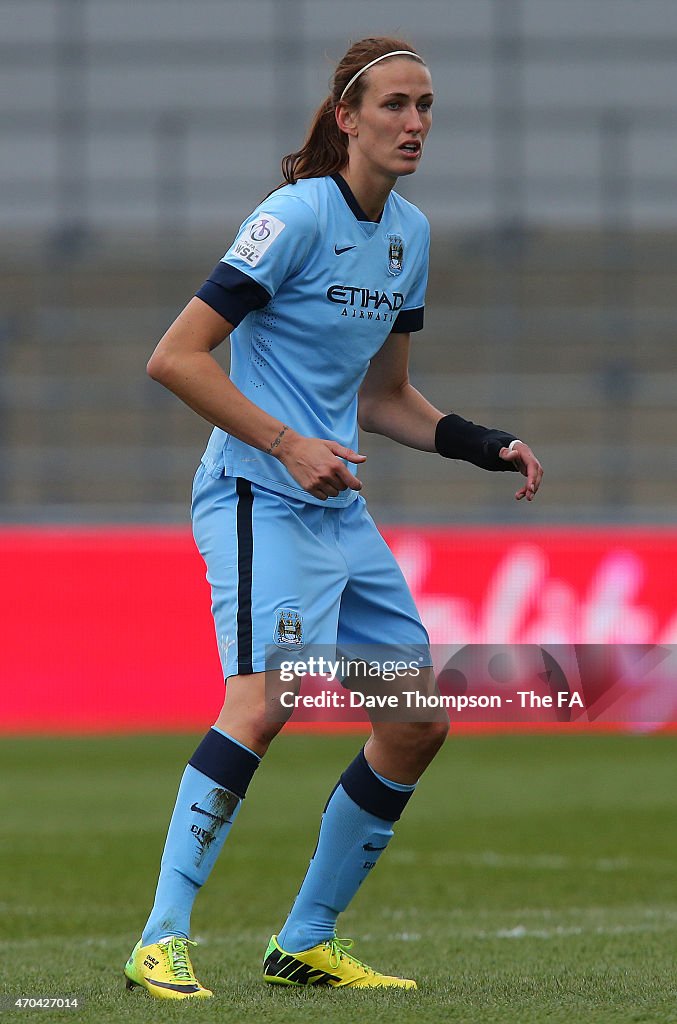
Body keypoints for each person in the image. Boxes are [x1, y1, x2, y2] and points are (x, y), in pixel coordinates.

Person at [123, 35, 543, 999]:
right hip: (257, 493)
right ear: (346, 118)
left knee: (414, 723)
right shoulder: (293, 217)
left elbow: (383, 396)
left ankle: (304, 939)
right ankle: (159, 938)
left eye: (427, 105)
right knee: (267, 701)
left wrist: (484, 443)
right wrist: (284, 443)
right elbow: (176, 356)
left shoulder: (410, 236)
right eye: (395, 104)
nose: (415, 123)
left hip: (335, 507)